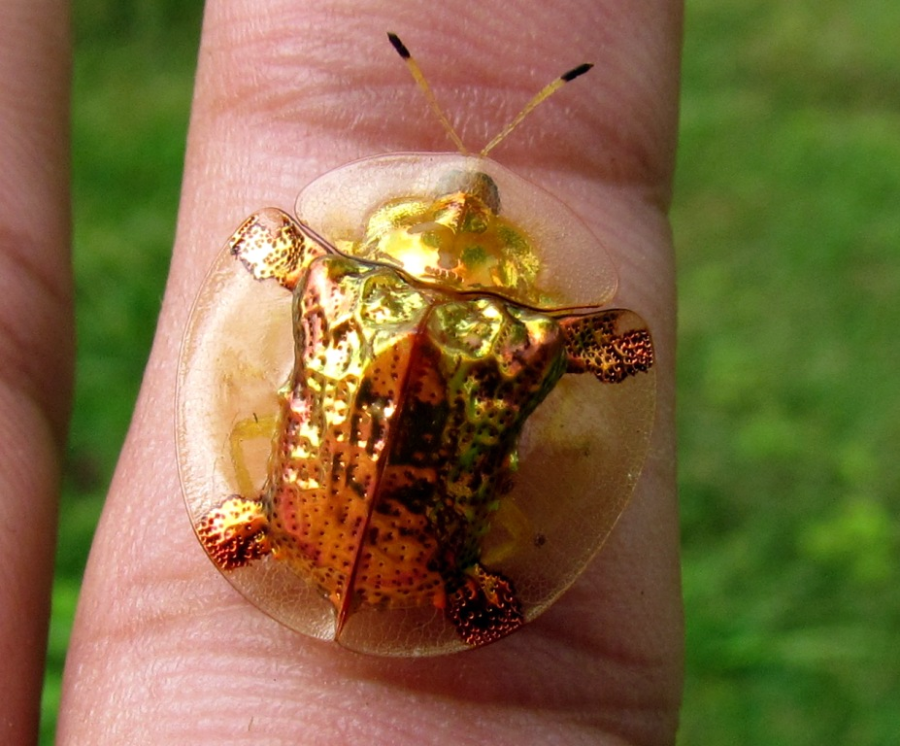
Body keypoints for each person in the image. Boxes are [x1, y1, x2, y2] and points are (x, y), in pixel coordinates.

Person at [0, 1, 683, 742]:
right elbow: (617, 361)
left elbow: (263, 265)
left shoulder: (331, 283)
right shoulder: (530, 340)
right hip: (427, 573)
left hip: (298, 531)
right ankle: (454, 587)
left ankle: (260, 531)